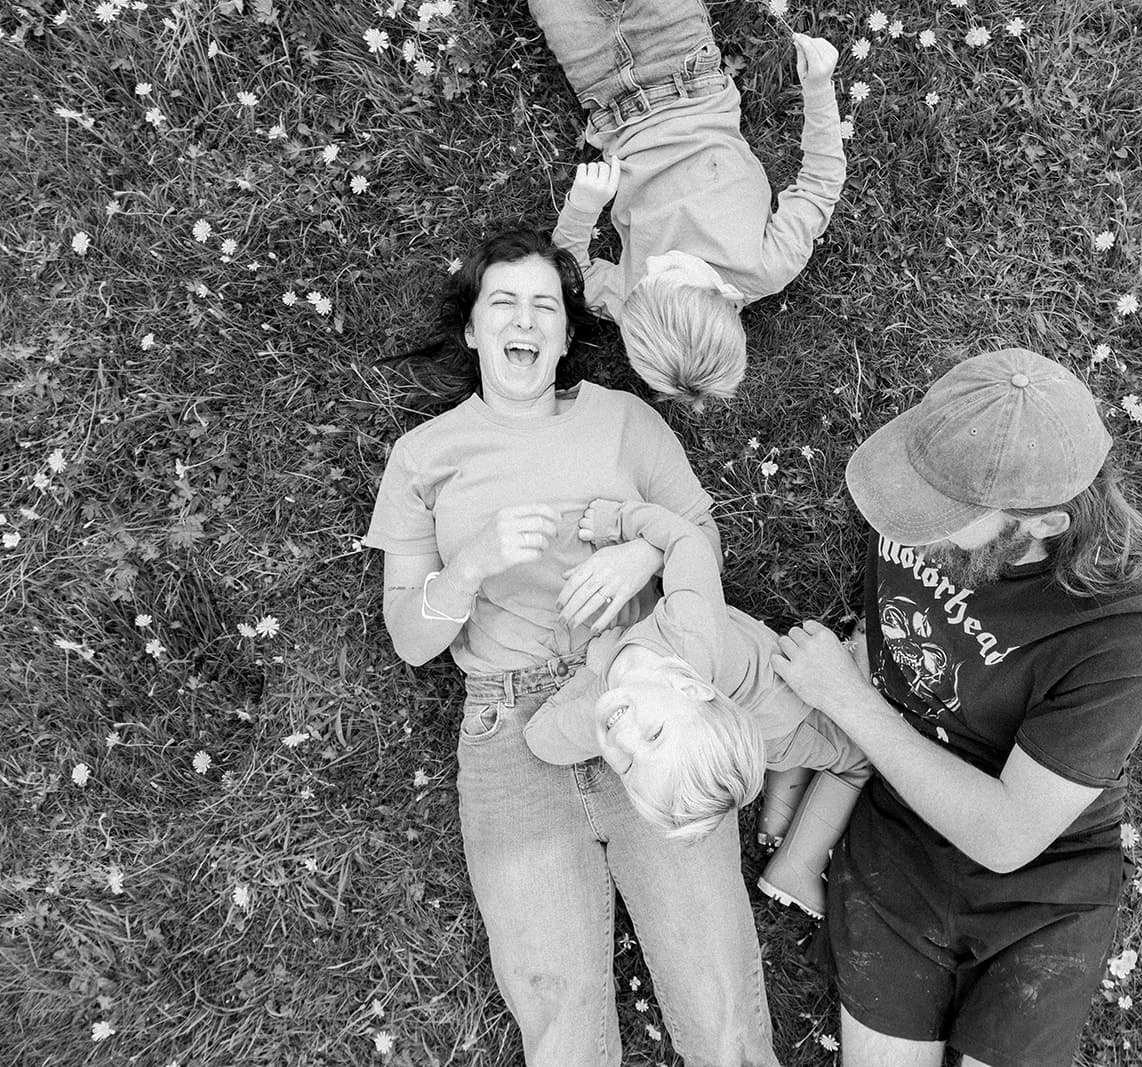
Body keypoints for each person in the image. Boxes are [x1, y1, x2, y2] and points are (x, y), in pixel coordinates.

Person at [363, 227, 779, 1067]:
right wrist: (473, 563)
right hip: (510, 733)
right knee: (559, 1021)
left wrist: (641, 551)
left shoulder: (624, 420)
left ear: (563, 332)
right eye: (503, 303)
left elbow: (698, 534)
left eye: (544, 305)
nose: (525, 320)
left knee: (720, 1002)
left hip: (645, 696)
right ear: (474, 329)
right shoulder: (423, 457)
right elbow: (410, 639)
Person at [772, 349, 1142, 1067]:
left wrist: (848, 701)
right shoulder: (946, 461)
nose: (905, 522)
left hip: (1042, 879)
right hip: (900, 831)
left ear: (1044, 521)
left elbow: (1007, 834)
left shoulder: (1135, 631)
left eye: (941, 519)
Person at [521, 496, 870, 918]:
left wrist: (588, 674)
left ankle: (788, 834)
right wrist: (623, 525)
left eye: (628, 767)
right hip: (790, 714)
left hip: (773, 727)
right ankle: (793, 845)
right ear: (688, 688)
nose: (624, 740)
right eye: (654, 735)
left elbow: (541, 739)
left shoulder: (607, 709)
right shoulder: (691, 623)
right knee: (857, 752)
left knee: (832, 756)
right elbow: (687, 542)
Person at [528, 0, 845, 407]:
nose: (655, 262)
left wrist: (583, 207)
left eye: (647, 280)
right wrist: (819, 87)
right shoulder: (768, 265)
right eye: (672, 271)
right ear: (727, 302)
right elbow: (820, 185)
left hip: (606, 94)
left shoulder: (636, 300)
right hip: (684, 67)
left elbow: (569, 276)